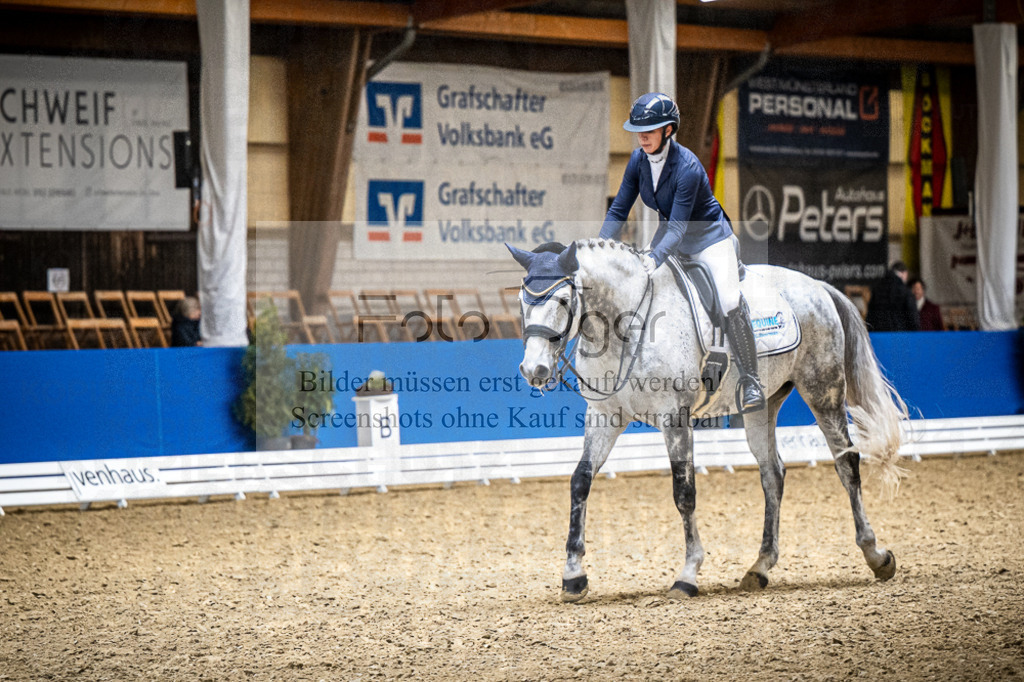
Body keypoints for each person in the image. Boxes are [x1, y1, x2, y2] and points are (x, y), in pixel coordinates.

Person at [600, 92, 764, 413]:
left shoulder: (687, 167)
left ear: (669, 130)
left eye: (650, 129)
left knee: (729, 300)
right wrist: (599, 248)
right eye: (638, 130)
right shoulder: (637, 161)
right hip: (670, 237)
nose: (642, 136)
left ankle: (751, 380)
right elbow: (619, 208)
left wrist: (653, 258)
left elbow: (678, 228)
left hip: (708, 239)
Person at [865, 262, 919, 332]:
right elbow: (913, 319)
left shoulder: (877, 290)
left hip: (879, 336)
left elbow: (870, 317)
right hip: (901, 337)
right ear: (904, 273)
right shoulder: (905, 291)